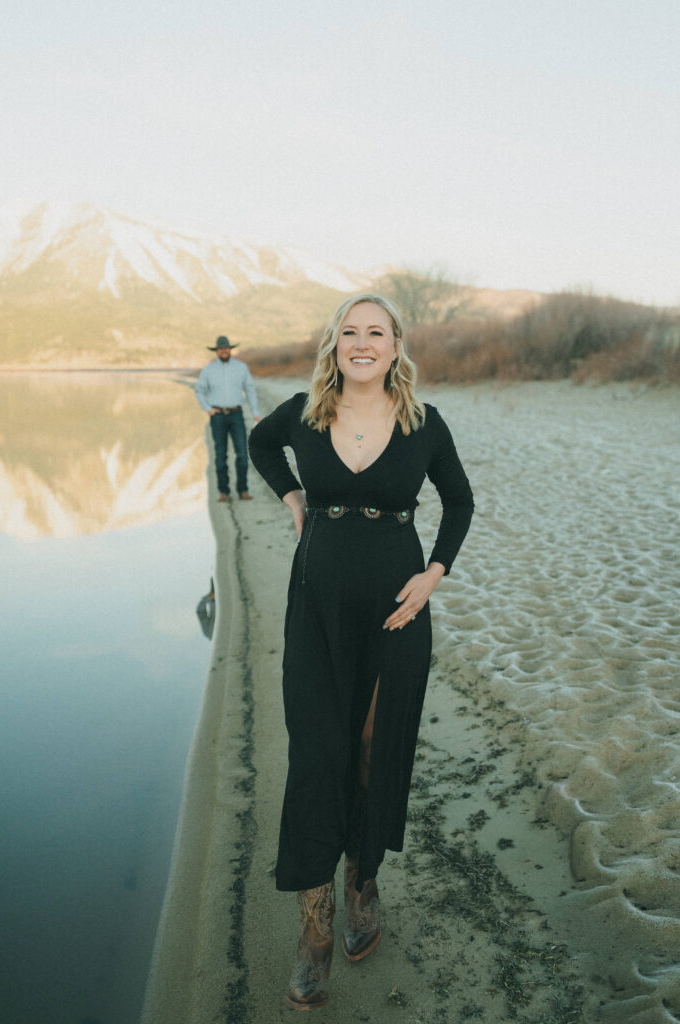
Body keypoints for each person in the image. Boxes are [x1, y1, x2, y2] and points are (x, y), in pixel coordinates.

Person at [248, 293, 474, 1010]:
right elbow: (259, 444)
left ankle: (361, 885)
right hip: (315, 606)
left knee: (374, 749)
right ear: (335, 344)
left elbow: (460, 502)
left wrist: (432, 575)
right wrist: (290, 496)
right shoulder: (305, 411)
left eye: (375, 332)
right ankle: (314, 925)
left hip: (395, 615)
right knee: (318, 752)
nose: (361, 343)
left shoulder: (422, 422)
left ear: (396, 343)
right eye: (349, 332)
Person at [195, 336, 261, 501]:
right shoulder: (208, 370)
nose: (224, 350)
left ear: (230, 349)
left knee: (242, 453)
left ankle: (243, 490)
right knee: (220, 454)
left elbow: (250, 389)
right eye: (220, 348)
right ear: (216, 350)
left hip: (236, 415)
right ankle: (223, 492)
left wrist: (255, 412)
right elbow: (200, 391)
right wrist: (208, 409)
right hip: (217, 416)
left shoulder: (241, 367)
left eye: (226, 348)